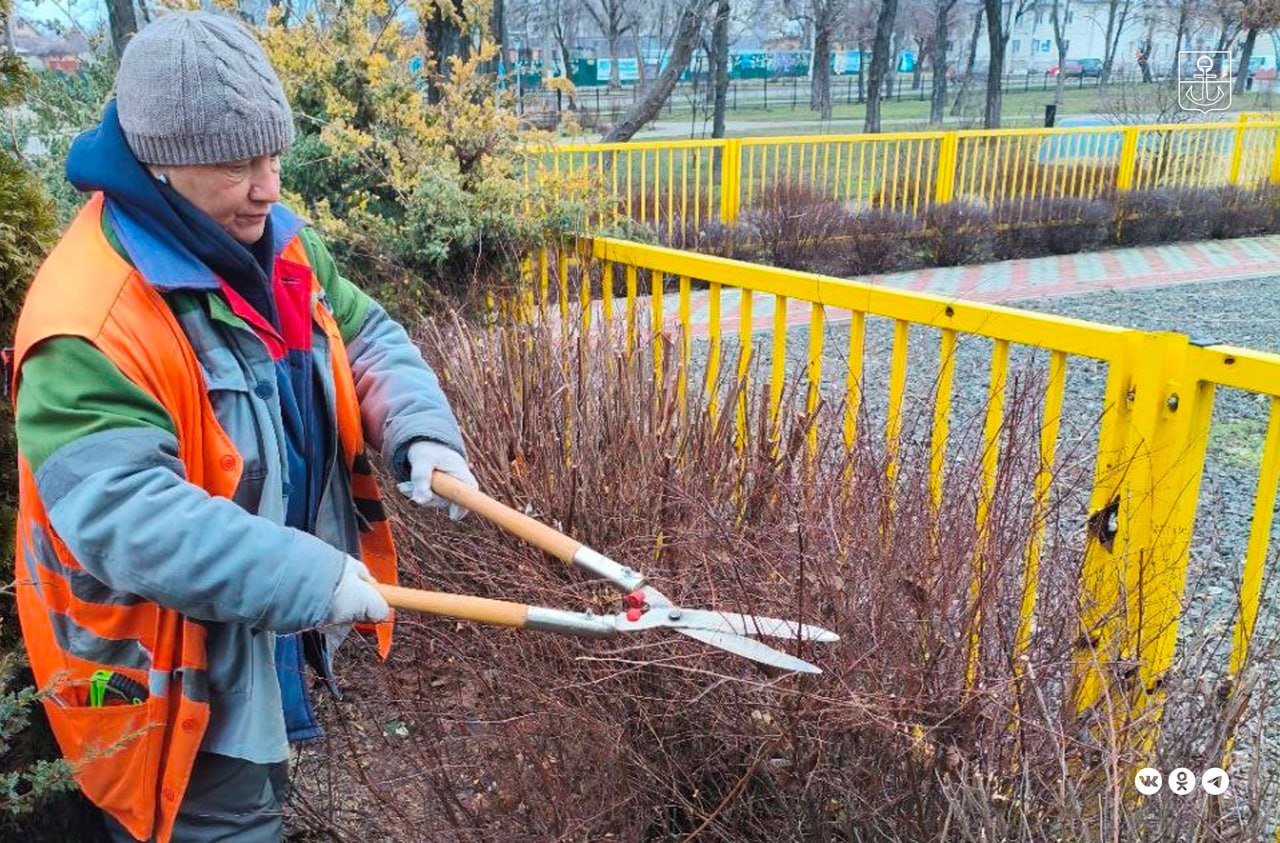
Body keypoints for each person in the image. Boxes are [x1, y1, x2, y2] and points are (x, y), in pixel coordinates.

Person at [6, 11, 477, 842]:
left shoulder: (276, 244)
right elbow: (129, 519)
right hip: (164, 687)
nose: (270, 186)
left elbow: (365, 336)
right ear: (159, 163)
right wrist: (311, 575)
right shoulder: (87, 321)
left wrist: (420, 429)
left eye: (274, 155)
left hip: (254, 639)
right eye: (237, 165)